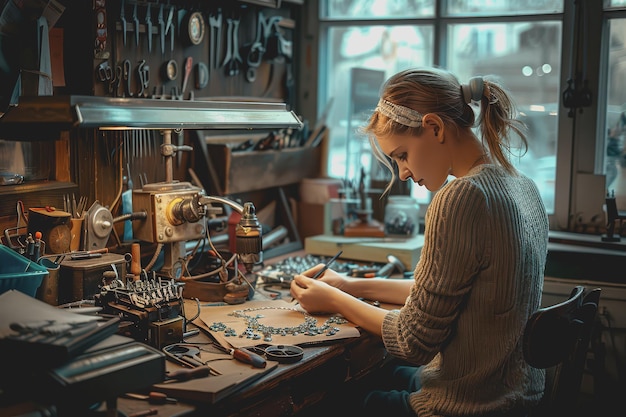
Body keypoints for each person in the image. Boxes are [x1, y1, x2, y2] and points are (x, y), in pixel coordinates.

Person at [290, 67, 549, 417]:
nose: (402, 173)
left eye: (401, 155)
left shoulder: (462, 196)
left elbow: (413, 342)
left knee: (319, 403)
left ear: (435, 128)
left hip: (470, 406)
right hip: (512, 394)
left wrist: (333, 300)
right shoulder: (524, 188)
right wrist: (350, 286)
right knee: (375, 375)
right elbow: (447, 294)